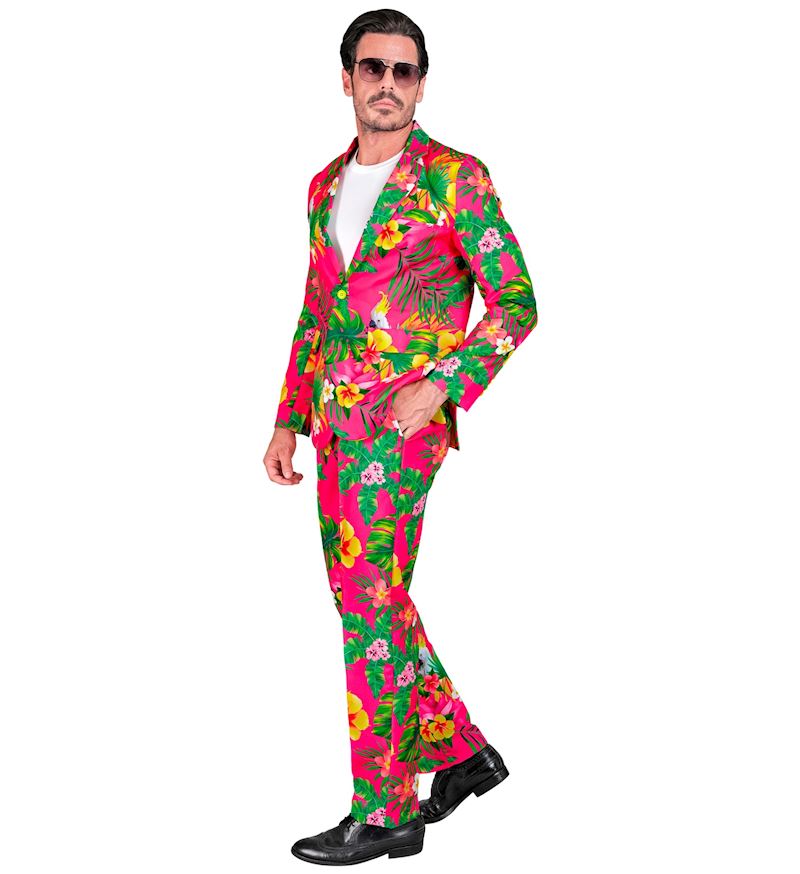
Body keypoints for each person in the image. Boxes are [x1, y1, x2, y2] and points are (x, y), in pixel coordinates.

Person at [264, 9, 538, 865]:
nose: (388, 84)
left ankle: (385, 811)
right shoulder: (322, 185)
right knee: (369, 599)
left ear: (421, 85)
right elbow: (317, 309)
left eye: (404, 71)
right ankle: (461, 751)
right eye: (373, 68)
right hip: (333, 427)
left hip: (401, 428)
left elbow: (518, 303)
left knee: (367, 604)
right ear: (346, 78)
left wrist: (441, 386)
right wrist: (287, 417)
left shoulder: (456, 178)